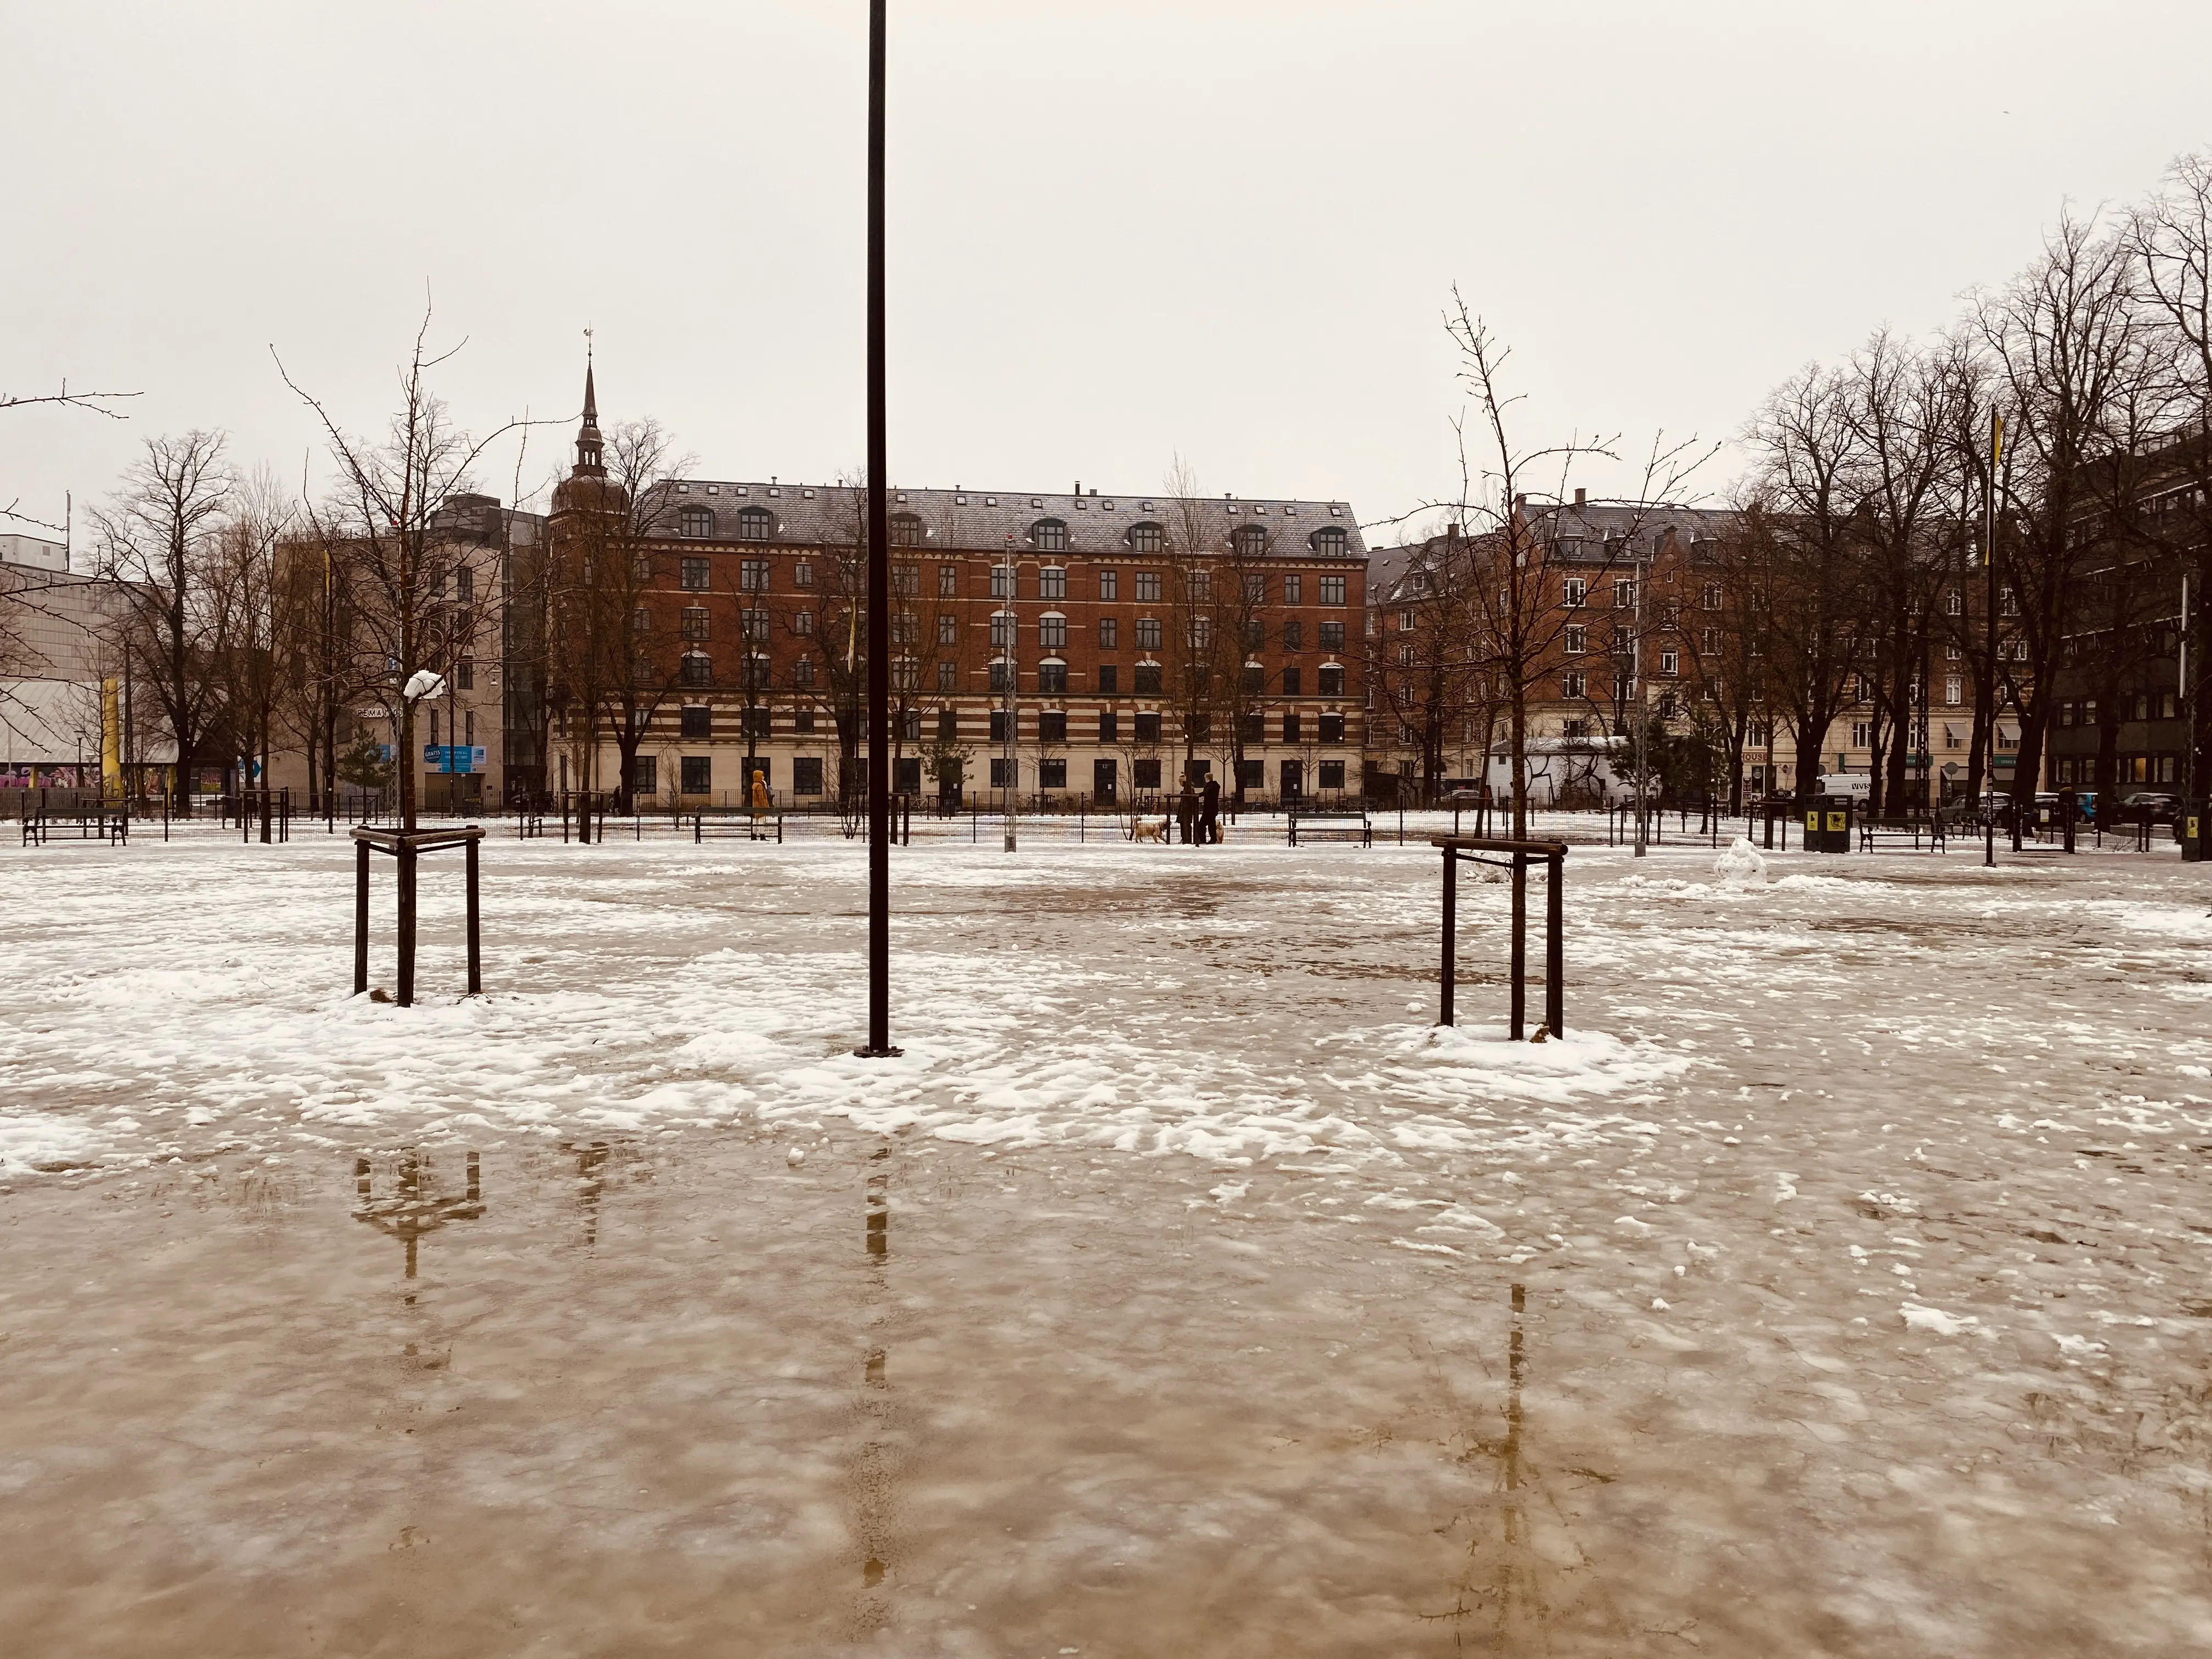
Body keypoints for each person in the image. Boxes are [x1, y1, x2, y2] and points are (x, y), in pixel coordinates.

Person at [1198, 772, 1221, 845]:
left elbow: (1207, 792)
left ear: (1207, 778)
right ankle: (1212, 839)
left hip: (1209, 808)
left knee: (1202, 824)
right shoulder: (1215, 786)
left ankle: (1204, 839)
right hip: (1213, 808)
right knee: (1211, 824)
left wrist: (1200, 794)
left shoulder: (1211, 786)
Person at [1176, 775, 1198, 845]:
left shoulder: (1189, 789)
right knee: (1184, 824)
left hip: (1186, 810)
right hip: (1184, 810)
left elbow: (1190, 800)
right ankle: (1184, 838)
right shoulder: (1187, 788)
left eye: (1180, 782)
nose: (1180, 784)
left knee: (1186, 824)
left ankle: (1187, 839)